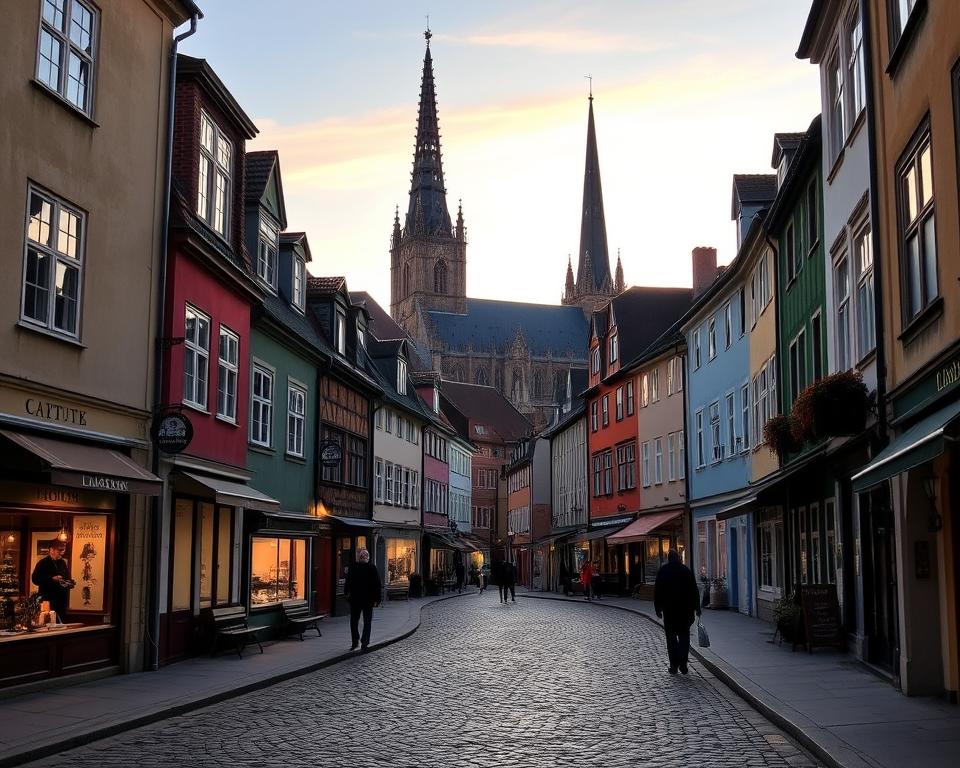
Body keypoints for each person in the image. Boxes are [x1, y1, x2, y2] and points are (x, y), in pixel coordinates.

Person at [653, 549, 701, 674]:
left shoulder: (663, 571)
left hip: (669, 611)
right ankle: (683, 663)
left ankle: (674, 665)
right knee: (684, 637)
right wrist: (697, 608)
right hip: (685, 610)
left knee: (671, 639)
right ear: (678, 558)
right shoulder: (686, 570)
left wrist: (658, 608)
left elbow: (657, 591)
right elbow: (694, 590)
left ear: (668, 558)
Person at [344, 548, 381, 652]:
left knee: (354, 621)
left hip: (355, 599)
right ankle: (364, 642)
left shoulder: (354, 567)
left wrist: (346, 594)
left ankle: (355, 641)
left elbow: (348, 583)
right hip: (367, 600)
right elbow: (377, 585)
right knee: (367, 621)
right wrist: (377, 599)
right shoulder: (372, 568)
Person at [31, 541, 74, 622]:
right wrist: (51, 578)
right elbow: (35, 579)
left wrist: (69, 582)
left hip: (61, 600)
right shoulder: (43, 563)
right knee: (49, 622)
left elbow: (67, 576)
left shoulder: (62, 562)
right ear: (52, 550)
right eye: (59, 551)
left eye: (62, 551)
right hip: (48, 600)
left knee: (61, 623)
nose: (61, 553)